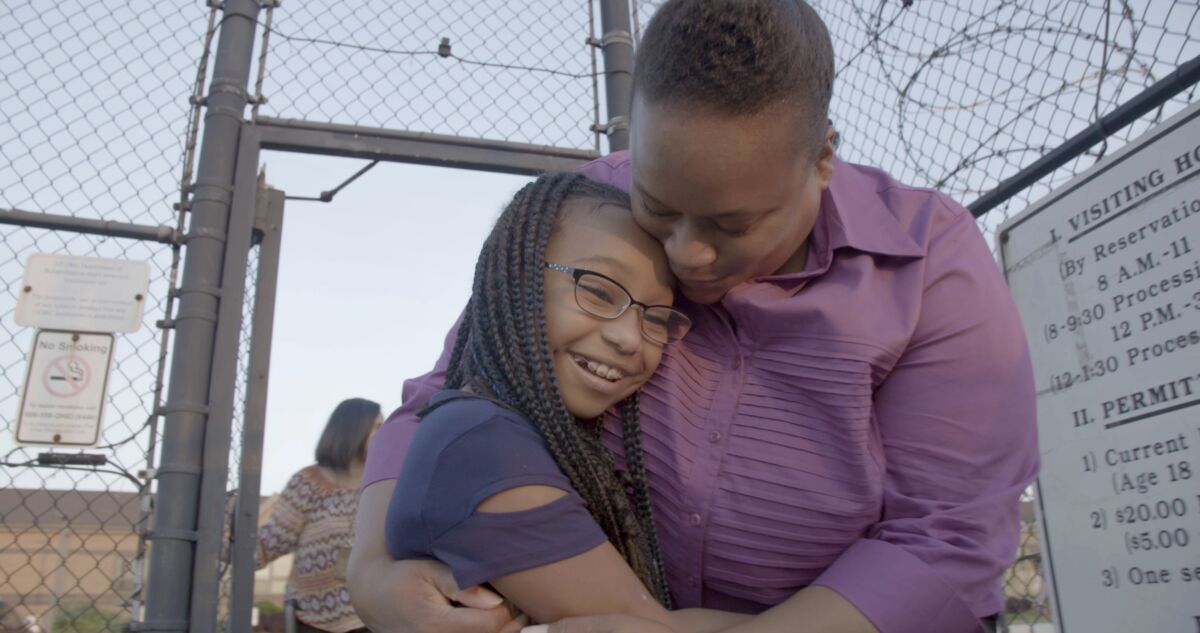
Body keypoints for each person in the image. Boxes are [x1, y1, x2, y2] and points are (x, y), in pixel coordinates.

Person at [348, 2, 1038, 633]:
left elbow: (947, 535)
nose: (688, 252)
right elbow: (456, 388)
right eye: (658, 204)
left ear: (823, 158)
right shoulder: (589, 205)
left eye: (732, 223)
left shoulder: (926, 260)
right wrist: (373, 576)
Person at [385, 172, 754, 631]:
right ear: (515, 278)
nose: (628, 338)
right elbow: (643, 625)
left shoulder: (538, 440)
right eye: (599, 291)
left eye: (656, 318)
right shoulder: (478, 442)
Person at [257, 398, 384, 633]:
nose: (384, 433)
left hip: (374, 617)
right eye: (376, 426)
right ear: (352, 429)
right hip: (313, 620)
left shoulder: (383, 486)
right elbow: (270, 543)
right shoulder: (308, 483)